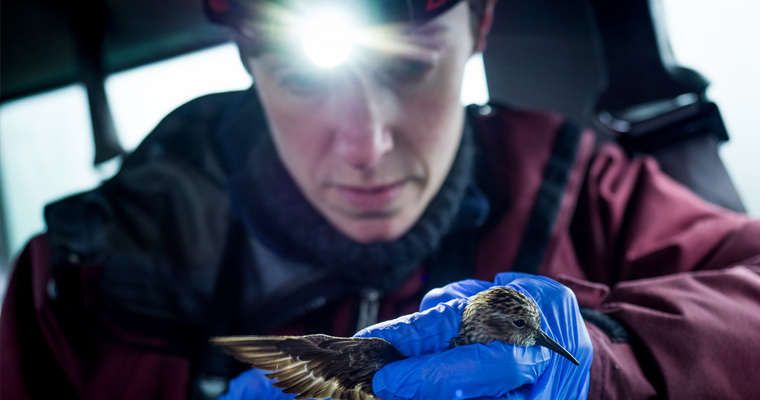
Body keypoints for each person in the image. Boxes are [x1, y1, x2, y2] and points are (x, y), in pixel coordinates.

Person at [2, 0, 760, 399]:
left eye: (409, 67)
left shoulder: (584, 193)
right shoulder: (83, 284)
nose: (365, 146)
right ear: (248, 56)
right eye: (303, 79)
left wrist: (608, 364)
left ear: (482, 24)